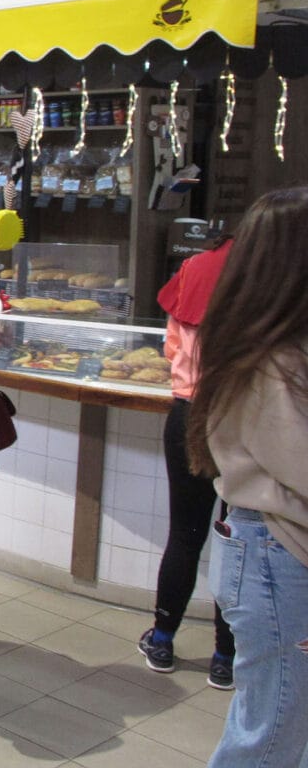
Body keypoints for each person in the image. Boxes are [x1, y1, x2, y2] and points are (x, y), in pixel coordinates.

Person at [188, 186, 308, 768]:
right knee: (272, 734)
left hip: (270, 552)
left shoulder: (265, 341)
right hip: (277, 556)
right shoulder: (272, 361)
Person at [138, 233, 236, 689]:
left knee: (185, 533)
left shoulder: (194, 269)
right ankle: (225, 655)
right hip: (242, 417)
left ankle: (161, 639)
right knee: (236, 539)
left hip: (188, 414)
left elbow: (172, 349)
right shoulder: (267, 275)